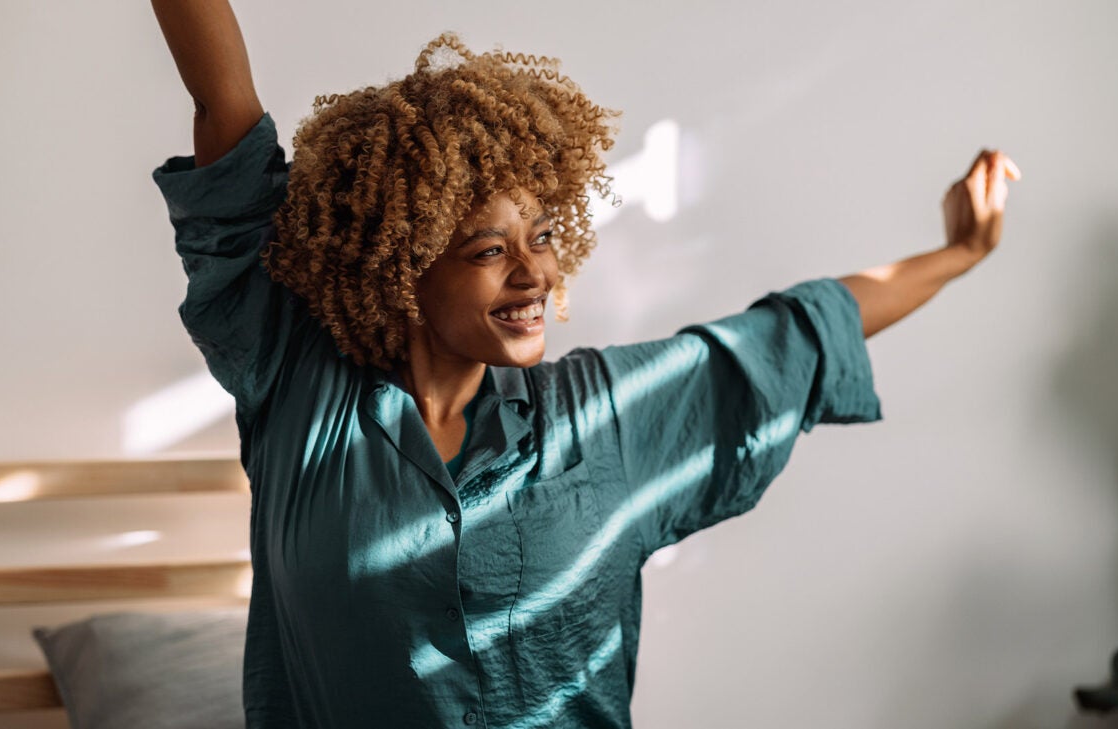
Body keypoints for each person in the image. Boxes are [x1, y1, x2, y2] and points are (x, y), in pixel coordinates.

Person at [150, 2, 1021, 727]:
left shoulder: (607, 416)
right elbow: (223, 109)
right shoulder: (301, 385)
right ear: (402, 263)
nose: (535, 273)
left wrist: (958, 255)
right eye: (491, 248)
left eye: (545, 237)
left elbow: (796, 329)